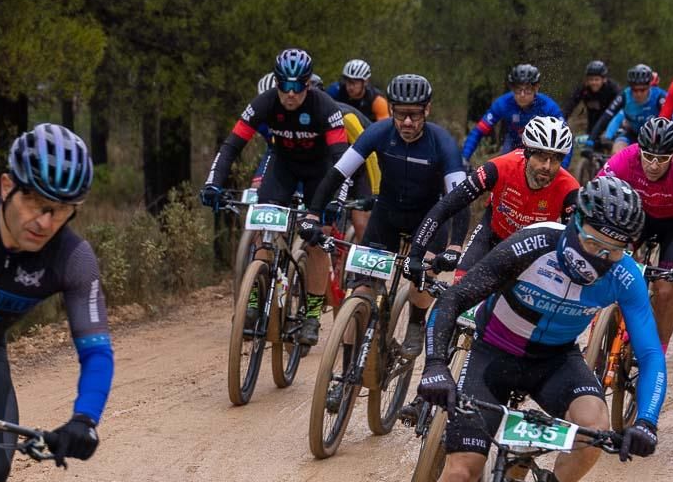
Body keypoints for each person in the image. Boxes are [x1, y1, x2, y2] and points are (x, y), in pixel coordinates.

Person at [392, 175, 666, 482]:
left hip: (556, 362)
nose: (602, 255)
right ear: (575, 222)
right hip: (493, 355)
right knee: (461, 471)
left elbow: (650, 353)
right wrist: (436, 365)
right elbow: (453, 300)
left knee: (595, 426)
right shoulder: (534, 243)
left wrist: (646, 420)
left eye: (615, 247)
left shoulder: (624, 276)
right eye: (595, 241)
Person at [0, 125, 112, 482]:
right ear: (7, 186)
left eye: (60, 209)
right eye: (34, 202)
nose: (43, 221)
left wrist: (84, 420)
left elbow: (96, 352)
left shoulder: (73, 259)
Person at [298, 73, 469, 356]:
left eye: (414, 115)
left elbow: (459, 196)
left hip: (428, 219)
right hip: (387, 214)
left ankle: (416, 323)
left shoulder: (442, 142)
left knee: (424, 270)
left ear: (427, 110)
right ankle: (343, 376)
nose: (407, 123)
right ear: (391, 110)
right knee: (361, 290)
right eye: (400, 114)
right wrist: (314, 214)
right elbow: (338, 173)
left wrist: (454, 245)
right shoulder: (379, 133)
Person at [202, 48, 348, 346]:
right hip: (283, 168)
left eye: (297, 87)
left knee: (316, 238)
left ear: (308, 84)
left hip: (321, 174)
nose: (290, 94)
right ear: (277, 84)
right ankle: (253, 301)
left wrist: (335, 201)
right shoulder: (264, 103)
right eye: (284, 86)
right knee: (262, 227)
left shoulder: (325, 107)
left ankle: (312, 315)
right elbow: (231, 146)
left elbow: (342, 161)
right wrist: (213, 183)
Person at [407, 116, 579, 275]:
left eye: (555, 159)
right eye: (541, 157)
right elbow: (446, 206)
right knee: (459, 287)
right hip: (490, 237)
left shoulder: (569, 189)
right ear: (527, 152)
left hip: (531, 253)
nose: (547, 166)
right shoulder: (500, 168)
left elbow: (573, 244)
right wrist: (415, 255)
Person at [600, 118, 673, 348]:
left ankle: (659, 351)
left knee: (665, 290)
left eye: (662, 159)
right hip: (640, 218)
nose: (654, 165)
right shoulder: (626, 157)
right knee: (613, 266)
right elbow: (598, 191)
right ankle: (605, 334)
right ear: (639, 150)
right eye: (648, 157)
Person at [461, 63, 569, 167]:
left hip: (541, 147)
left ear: (536, 88)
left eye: (527, 90)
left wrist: (562, 168)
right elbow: (479, 131)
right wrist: (464, 158)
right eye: (518, 90)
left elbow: (566, 136)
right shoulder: (503, 103)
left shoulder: (548, 106)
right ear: (512, 88)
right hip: (513, 144)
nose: (522, 95)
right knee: (502, 168)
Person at [590, 64, 668, 154]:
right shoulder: (625, 95)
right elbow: (606, 116)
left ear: (649, 86)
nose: (638, 94)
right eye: (634, 90)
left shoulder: (660, 96)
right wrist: (590, 140)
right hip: (632, 134)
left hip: (655, 136)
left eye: (642, 90)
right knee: (617, 152)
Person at [562, 60, 621, 136]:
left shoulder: (613, 90)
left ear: (604, 79)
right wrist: (561, 121)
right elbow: (569, 105)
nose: (593, 83)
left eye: (596, 79)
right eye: (591, 79)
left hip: (611, 123)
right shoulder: (584, 89)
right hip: (592, 123)